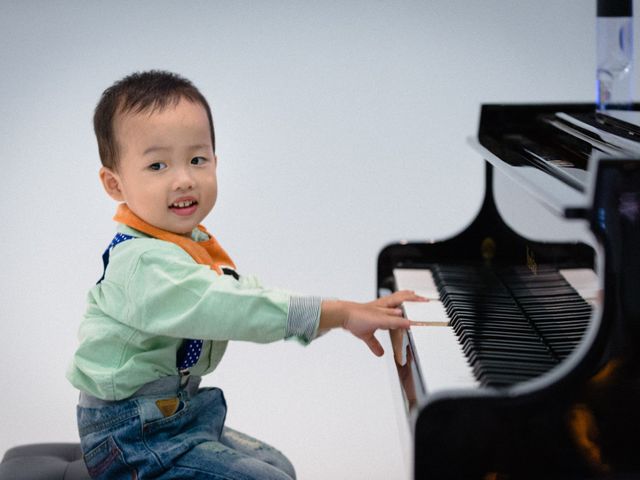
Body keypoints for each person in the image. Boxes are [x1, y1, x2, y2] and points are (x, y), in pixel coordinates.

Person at [66, 70, 423, 480]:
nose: (184, 179)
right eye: (158, 164)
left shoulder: (185, 242)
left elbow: (236, 291)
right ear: (115, 183)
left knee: (278, 466)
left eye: (197, 159)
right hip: (132, 437)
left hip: (175, 416)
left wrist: (340, 311)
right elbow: (228, 306)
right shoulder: (145, 263)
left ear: (216, 161)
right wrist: (338, 314)